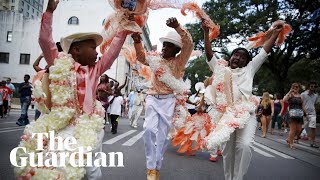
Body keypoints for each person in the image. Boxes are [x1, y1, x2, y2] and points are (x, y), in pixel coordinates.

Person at [14, 0, 131, 179]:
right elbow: (45, 41)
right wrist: (50, 12)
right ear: (76, 50)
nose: (97, 53)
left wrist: (123, 27)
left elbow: (113, 52)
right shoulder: (58, 64)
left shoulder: (95, 70)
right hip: (64, 125)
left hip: (89, 125)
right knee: (61, 163)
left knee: (91, 170)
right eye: (93, 48)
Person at [203, 19, 285, 180]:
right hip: (225, 117)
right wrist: (206, 33)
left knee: (245, 145)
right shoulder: (220, 69)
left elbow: (264, 52)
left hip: (246, 114)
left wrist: (275, 33)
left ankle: (238, 178)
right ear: (230, 57)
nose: (237, 58)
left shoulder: (250, 69)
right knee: (228, 151)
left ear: (247, 62)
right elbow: (209, 54)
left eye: (242, 57)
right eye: (235, 55)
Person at [132, 17, 193, 179]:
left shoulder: (179, 62)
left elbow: (189, 44)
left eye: (168, 45)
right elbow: (140, 57)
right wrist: (137, 41)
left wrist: (178, 27)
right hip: (152, 97)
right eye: (164, 44)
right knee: (148, 130)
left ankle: (156, 167)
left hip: (168, 100)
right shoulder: (154, 59)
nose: (164, 48)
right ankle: (151, 166)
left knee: (162, 136)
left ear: (176, 50)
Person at [283, 83, 306, 149]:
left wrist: (306, 113)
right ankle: (291, 143)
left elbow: (303, 105)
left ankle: (288, 139)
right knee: (293, 129)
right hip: (291, 114)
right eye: (294, 87)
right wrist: (290, 91)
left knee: (299, 129)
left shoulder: (300, 96)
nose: (295, 88)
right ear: (292, 87)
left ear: (299, 88)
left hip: (299, 114)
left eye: (297, 87)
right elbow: (284, 100)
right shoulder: (290, 95)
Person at [301, 80, 319, 148]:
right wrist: (305, 112)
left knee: (313, 128)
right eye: (311, 86)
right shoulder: (303, 94)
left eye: (314, 86)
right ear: (309, 86)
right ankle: (296, 138)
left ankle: (312, 142)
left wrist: (315, 112)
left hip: (312, 114)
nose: (313, 87)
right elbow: (302, 104)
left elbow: (315, 105)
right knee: (301, 128)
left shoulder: (316, 95)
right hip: (304, 114)